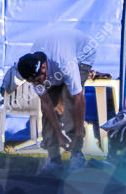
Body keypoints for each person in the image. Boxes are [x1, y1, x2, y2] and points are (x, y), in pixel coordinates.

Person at [14, 28, 95, 173]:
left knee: (69, 103)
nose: (37, 83)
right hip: (57, 55)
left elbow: (78, 99)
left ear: (44, 67)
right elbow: (46, 104)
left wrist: (78, 135)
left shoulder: (66, 64)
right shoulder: (33, 71)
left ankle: (77, 153)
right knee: (50, 109)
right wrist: (58, 135)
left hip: (82, 54)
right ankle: (54, 159)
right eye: (33, 81)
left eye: (38, 79)